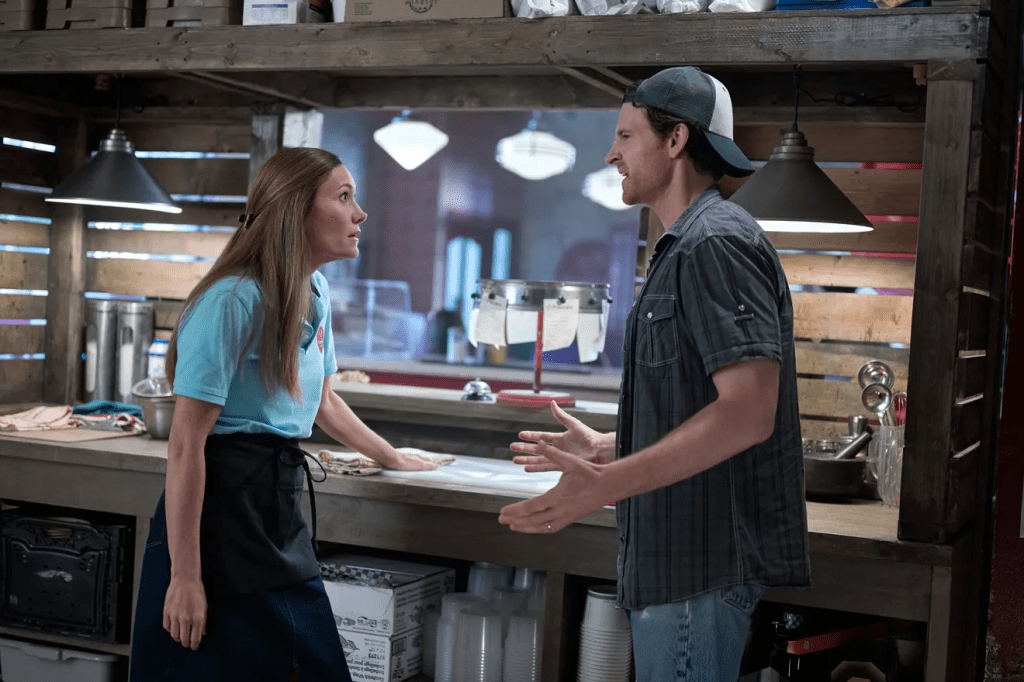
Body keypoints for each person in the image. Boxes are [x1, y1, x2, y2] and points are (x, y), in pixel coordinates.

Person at [498, 67, 811, 680]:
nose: (611, 154)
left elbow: (748, 412)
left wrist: (605, 481)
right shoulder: (683, 245)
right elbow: (702, 408)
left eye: (625, 135)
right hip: (678, 564)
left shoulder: (714, 243)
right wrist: (614, 448)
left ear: (675, 140)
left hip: (698, 567)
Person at [129, 147, 438, 682]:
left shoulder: (314, 290)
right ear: (297, 211)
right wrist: (185, 578)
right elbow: (185, 447)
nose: (360, 213)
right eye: (344, 197)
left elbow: (323, 402)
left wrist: (391, 456)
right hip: (216, 520)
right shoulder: (231, 301)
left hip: (277, 507)